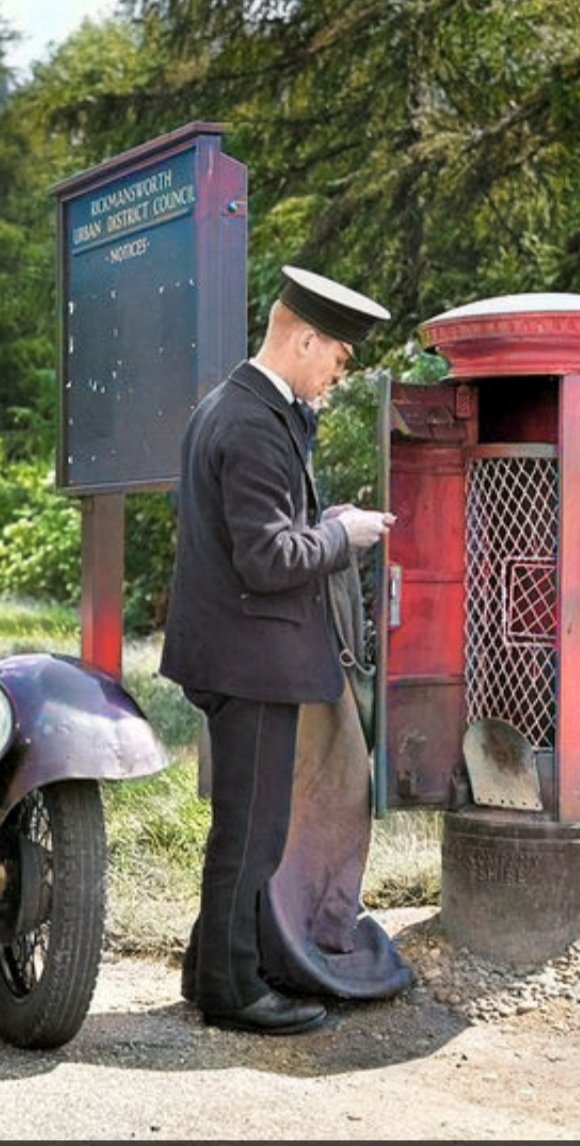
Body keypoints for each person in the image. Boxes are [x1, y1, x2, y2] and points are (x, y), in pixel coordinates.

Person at [160, 264, 400, 1036]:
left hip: (230, 652)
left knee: (243, 821)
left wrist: (316, 520)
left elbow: (251, 535)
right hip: (249, 660)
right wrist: (344, 535)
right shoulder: (256, 423)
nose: (341, 370)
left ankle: (208, 969)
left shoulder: (234, 406)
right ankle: (233, 993)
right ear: (303, 337)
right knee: (252, 831)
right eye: (338, 354)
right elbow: (267, 561)